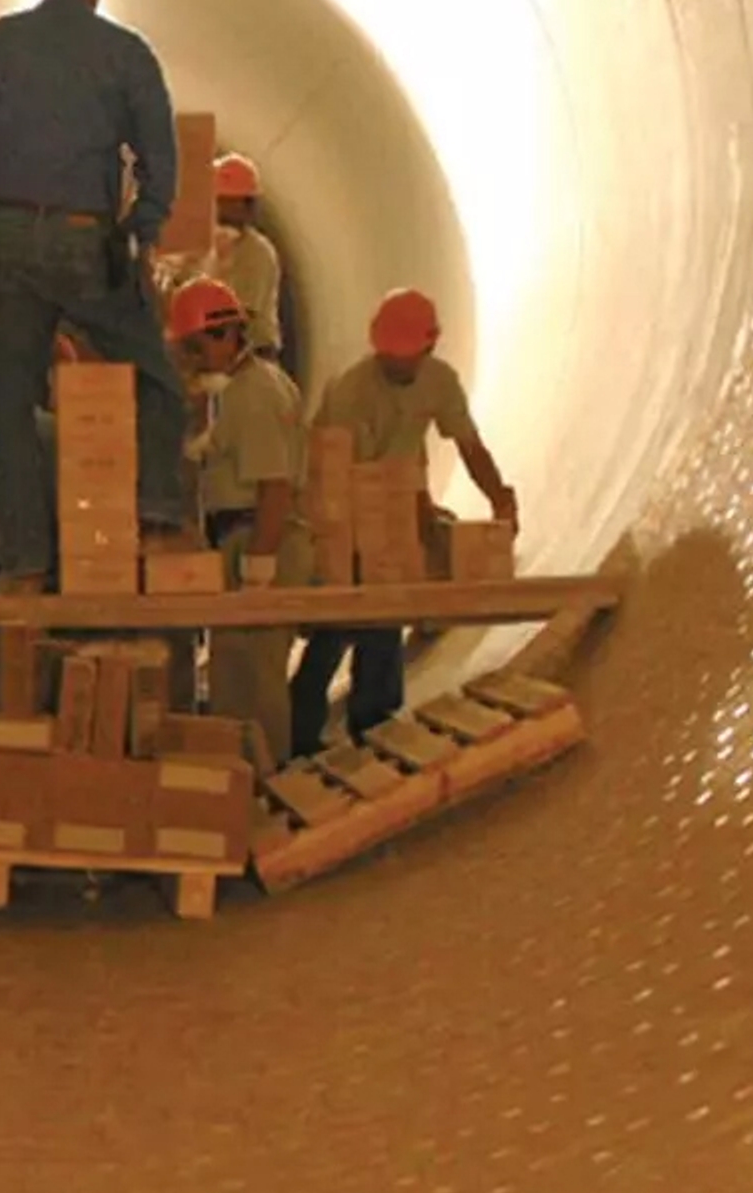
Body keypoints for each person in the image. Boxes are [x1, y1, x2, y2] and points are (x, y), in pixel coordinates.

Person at [0, 0, 196, 593]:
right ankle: (157, 511)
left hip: (4, 237)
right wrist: (140, 230)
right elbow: (161, 156)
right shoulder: (126, 53)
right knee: (155, 376)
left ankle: (25, 561)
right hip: (84, 236)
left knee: (7, 403)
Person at [294, 287, 518, 757]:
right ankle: (300, 732)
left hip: (392, 507)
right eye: (389, 358)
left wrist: (500, 499)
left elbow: (468, 445)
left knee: (387, 612)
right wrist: (337, 539)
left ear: (429, 347)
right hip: (345, 507)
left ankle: (374, 725)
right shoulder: (352, 391)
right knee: (337, 621)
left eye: (405, 359)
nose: (396, 367)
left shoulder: (438, 382)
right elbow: (332, 472)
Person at [171, 278, 304, 768]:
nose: (192, 359)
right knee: (232, 675)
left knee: (257, 679)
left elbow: (274, 486)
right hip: (241, 537)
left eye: (194, 348)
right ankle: (240, 784)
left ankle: (268, 786)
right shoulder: (242, 390)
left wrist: (258, 568)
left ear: (223, 336)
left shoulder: (256, 395)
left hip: (258, 537)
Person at [209, 153, 290, 375]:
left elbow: (238, 319)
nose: (219, 209)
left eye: (226, 202)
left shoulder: (258, 254)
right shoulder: (208, 248)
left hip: (252, 358)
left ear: (247, 206)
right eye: (218, 200)